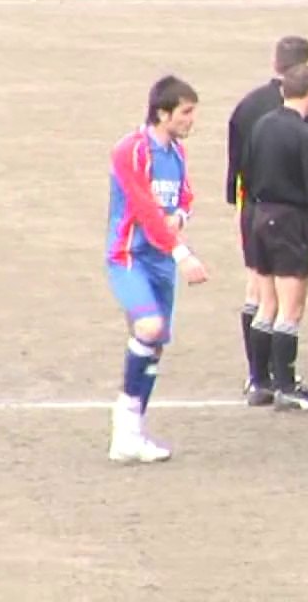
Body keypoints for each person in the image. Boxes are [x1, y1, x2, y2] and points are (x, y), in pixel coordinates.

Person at [106, 75, 209, 462]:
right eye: (185, 112)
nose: (191, 119)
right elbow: (144, 209)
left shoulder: (177, 153)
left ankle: (134, 431)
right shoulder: (131, 150)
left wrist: (181, 213)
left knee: (157, 341)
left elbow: (184, 194)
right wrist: (183, 254)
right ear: (162, 113)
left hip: (160, 259)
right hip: (131, 257)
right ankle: (125, 426)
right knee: (148, 327)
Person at [225, 35, 308, 405]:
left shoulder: (249, 107)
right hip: (288, 212)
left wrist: (239, 201)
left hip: (253, 207)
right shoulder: (302, 121)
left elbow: (237, 161)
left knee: (258, 294)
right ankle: (280, 380)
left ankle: (257, 377)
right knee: (284, 300)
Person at [243, 64, 308, 411]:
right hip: (290, 220)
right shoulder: (303, 133)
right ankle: (286, 385)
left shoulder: (261, 125)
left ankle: (260, 381)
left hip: (259, 216)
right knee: (291, 307)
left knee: (266, 304)